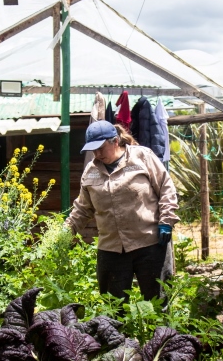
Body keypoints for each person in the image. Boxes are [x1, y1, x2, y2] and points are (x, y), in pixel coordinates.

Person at [64, 121, 179, 302]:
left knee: (158, 303)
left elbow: (166, 189)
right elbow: (82, 208)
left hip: (149, 244)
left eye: (101, 148)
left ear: (115, 141)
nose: (97, 154)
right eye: (93, 150)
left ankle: (162, 331)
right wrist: (65, 234)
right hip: (111, 249)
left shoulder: (142, 157)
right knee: (114, 309)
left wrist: (166, 220)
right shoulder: (91, 171)